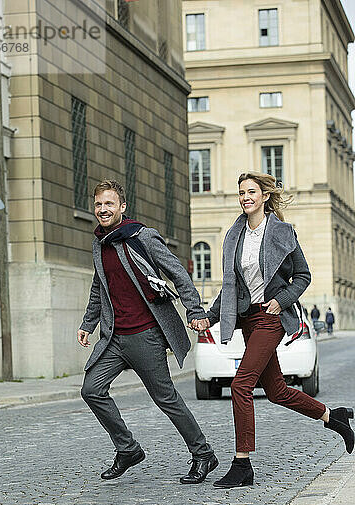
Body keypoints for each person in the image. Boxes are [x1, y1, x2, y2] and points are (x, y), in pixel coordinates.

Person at [190, 172, 354, 489]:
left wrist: (282, 300)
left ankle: (242, 464)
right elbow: (231, 287)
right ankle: (333, 417)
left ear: (264, 196)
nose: (245, 197)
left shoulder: (281, 232)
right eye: (241, 193)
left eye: (251, 192)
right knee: (277, 391)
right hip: (248, 319)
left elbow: (302, 276)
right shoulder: (234, 235)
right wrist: (209, 317)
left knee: (240, 386)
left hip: (270, 317)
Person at [78, 179, 218, 484]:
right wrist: (88, 323)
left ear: (122, 207)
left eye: (109, 204)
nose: (103, 209)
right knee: (91, 390)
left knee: (165, 397)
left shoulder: (141, 236)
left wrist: (194, 310)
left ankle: (203, 453)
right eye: (99, 204)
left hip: (145, 334)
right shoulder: (99, 242)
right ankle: (127, 449)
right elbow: (98, 286)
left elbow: (178, 273)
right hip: (114, 337)